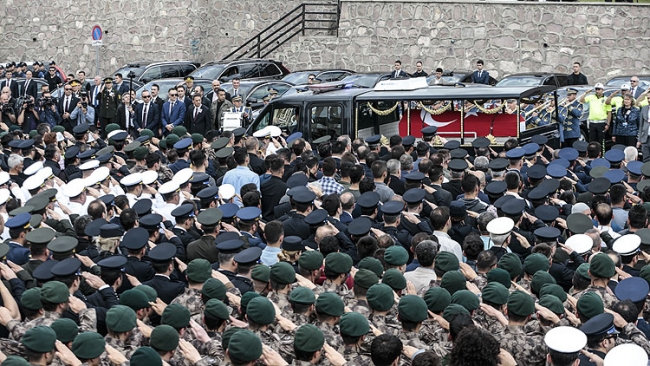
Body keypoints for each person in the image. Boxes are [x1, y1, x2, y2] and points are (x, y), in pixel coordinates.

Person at [579, 83, 609, 150]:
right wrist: (585, 93)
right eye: (596, 89)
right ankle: (593, 155)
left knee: (601, 141)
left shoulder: (606, 99)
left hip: (601, 122)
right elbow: (581, 100)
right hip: (592, 122)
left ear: (602, 90)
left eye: (599, 89)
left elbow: (609, 112)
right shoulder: (591, 97)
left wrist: (608, 124)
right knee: (592, 142)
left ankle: (601, 155)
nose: (597, 91)